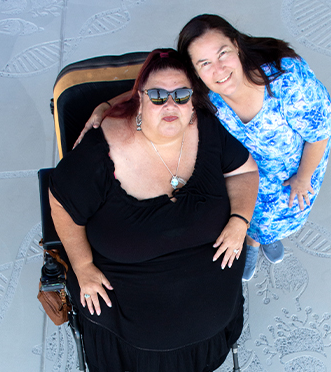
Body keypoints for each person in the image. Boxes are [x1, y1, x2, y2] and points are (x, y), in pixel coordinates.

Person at [77, 14, 331, 281]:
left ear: (237, 45)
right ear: (195, 73)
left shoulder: (287, 78)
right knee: (248, 214)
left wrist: (304, 177)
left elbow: (320, 132)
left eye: (222, 54)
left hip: (294, 173)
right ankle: (253, 241)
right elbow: (157, 92)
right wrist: (108, 105)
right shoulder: (204, 95)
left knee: (281, 217)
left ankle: (266, 239)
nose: (219, 70)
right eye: (205, 63)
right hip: (242, 174)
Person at [49, 49, 259, 372]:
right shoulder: (103, 152)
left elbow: (244, 171)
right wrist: (83, 265)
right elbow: (61, 201)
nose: (171, 105)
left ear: (193, 104)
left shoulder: (206, 129)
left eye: (181, 95)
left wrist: (239, 219)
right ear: (140, 103)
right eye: (158, 96)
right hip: (130, 349)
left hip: (212, 331)